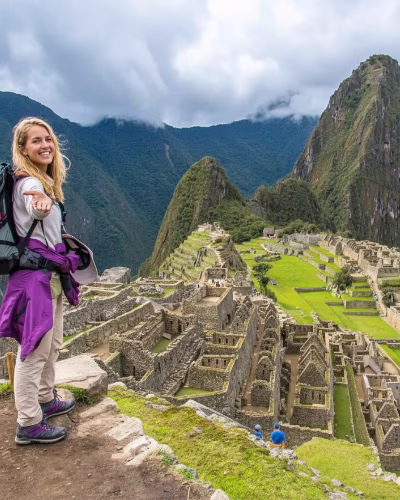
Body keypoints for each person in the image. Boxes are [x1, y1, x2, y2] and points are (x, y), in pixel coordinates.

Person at [0, 117, 95, 445]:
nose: (45, 145)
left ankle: (44, 397)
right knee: (34, 349)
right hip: (34, 280)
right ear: (23, 149)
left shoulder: (43, 180)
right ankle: (28, 421)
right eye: (36, 141)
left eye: (48, 139)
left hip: (52, 276)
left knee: (52, 344)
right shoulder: (29, 182)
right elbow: (33, 199)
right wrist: (39, 203)